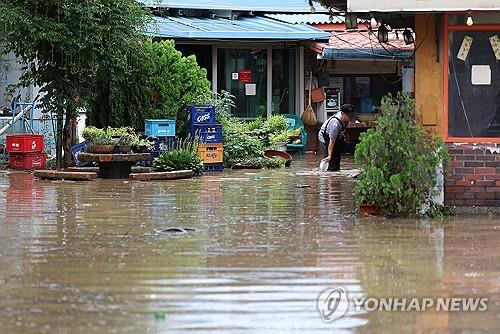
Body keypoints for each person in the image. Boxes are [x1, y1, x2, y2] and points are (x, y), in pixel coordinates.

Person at [318, 104, 355, 171]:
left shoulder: (346, 119)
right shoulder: (335, 124)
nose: (351, 117)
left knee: (337, 157)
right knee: (330, 160)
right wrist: (329, 156)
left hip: (335, 137)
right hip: (325, 137)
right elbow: (332, 142)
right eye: (349, 115)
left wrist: (346, 136)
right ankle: (327, 175)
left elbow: (343, 128)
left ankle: (336, 174)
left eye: (352, 115)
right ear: (342, 113)